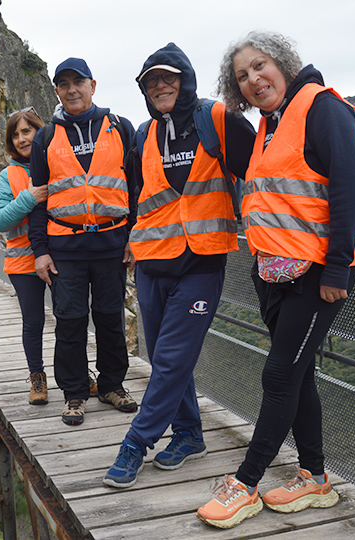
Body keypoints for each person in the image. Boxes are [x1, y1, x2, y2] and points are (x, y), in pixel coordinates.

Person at [197, 31, 355, 529]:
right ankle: (314, 476)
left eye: (260, 66)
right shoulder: (270, 126)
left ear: (284, 64)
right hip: (273, 272)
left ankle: (245, 485)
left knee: (277, 375)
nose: (253, 79)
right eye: (242, 76)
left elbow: (351, 188)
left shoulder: (321, 108)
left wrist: (337, 266)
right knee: (298, 375)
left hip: (316, 275)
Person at [103, 43, 256, 489]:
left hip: (202, 263)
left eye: (168, 77)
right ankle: (189, 435)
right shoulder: (143, 135)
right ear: (144, 90)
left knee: (170, 359)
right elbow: (136, 196)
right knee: (167, 358)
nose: (161, 86)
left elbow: (261, 174)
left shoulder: (219, 120)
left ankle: (135, 443)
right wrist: (130, 242)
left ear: (185, 78)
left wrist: (272, 233)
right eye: (152, 81)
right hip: (151, 262)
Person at [28, 57, 138, 426]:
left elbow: (136, 190)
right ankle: (74, 393)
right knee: (70, 321)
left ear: (93, 85)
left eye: (78, 82)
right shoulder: (46, 137)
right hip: (65, 249)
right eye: (64, 84)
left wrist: (135, 235)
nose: (72, 89)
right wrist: (40, 251)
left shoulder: (120, 128)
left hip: (111, 245)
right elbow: (39, 198)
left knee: (110, 320)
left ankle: (111, 385)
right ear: (57, 90)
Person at [0, 107, 50, 404]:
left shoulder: (57, 164)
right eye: (15, 135)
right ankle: (37, 378)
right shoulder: (9, 175)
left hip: (59, 257)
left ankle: (77, 374)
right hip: (23, 262)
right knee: (33, 321)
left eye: (27, 131)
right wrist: (29, 197)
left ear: (40, 131)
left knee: (72, 318)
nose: (22, 139)